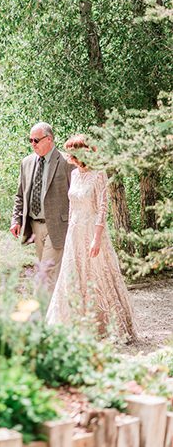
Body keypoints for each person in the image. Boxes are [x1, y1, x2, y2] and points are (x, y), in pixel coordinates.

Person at [44, 136, 137, 343]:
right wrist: (69, 233)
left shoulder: (98, 175)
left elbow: (102, 209)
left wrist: (96, 238)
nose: (70, 156)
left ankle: (105, 325)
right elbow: (71, 205)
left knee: (97, 276)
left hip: (92, 232)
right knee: (73, 276)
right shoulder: (75, 174)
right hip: (74, 233)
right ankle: (73, 324)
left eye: (72, 152)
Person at [11, 122, 75, 297]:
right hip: (34, 227)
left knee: (46, 273)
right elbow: (20, 195)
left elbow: (76, 195)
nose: (33, 144)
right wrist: (16, 219)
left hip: (58, 226)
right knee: (48, 272)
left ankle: (43, 316)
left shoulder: (66, 162)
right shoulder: (27, 163)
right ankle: (59, 311)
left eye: (36, 140)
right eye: (30, 140)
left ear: (49, 139)